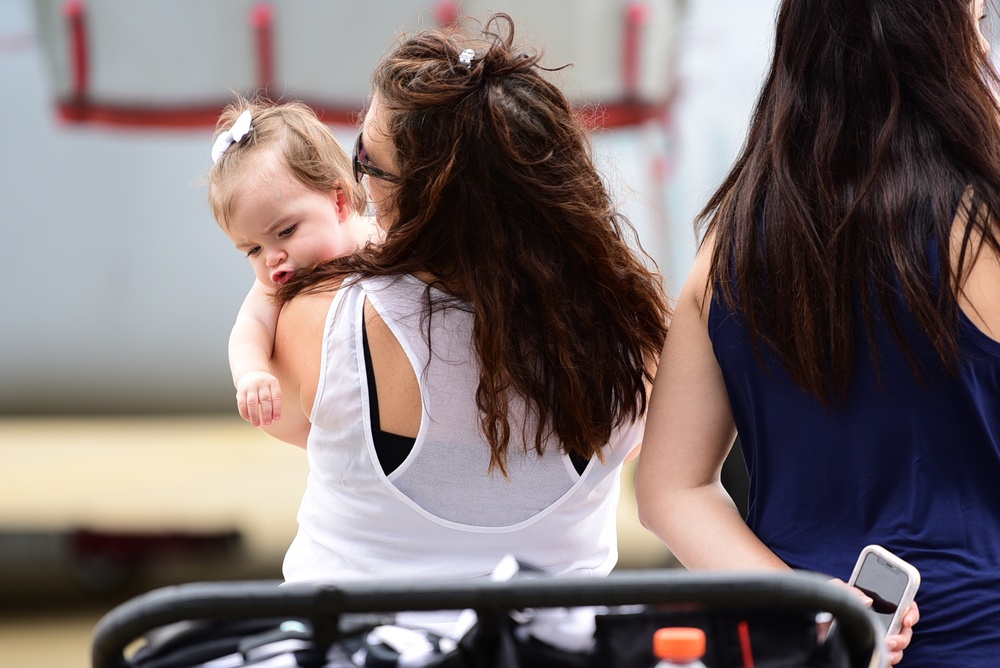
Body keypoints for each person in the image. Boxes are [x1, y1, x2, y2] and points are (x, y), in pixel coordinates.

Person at [636, 0, 1000, 665]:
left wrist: (806, 604)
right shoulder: (981, 228)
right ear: (939, 43)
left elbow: (670, 492)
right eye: (974, 24)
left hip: (807, 651)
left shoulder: (731, 244)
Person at [257, 14, 670, 584]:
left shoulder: (325, 318)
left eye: (367, 161)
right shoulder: (632, 338)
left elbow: (286, 417)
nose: (356, 184)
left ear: (430, 200)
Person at [207, 96, 380, 427]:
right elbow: (249, 328)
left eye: (285, 231)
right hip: (329, 433)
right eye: (252, 250)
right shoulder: (271, 287)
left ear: (339, 201)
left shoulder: (381, 240)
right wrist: (251, 373)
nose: (272, 257)